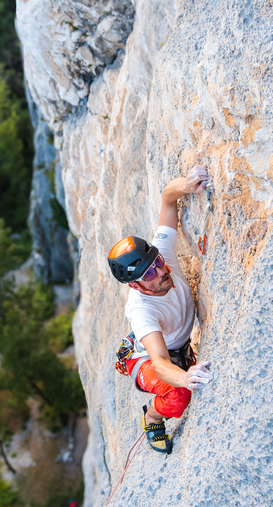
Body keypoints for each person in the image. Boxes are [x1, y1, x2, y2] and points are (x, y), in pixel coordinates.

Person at [108, 166, 216, 454]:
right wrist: (185, 378)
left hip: (173, 349)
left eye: (156, 262)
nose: (160, 271)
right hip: (145, 358)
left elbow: (168, 199)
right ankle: (152, 418)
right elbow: (158, 362)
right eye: (149, 274)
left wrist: (188, 184)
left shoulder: (160, 257)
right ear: (134, 286)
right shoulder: (140, 310)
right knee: (179, 396)